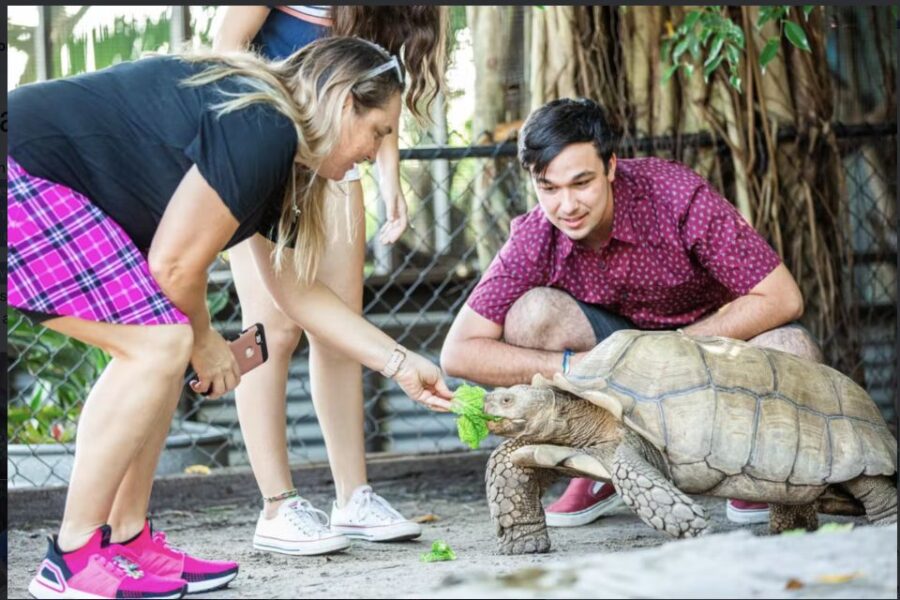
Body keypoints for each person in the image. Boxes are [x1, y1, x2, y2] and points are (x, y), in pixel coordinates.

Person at [10, 37, 452, 600]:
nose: (378, 149)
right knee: (161, 345)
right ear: (345, 104)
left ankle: (125, 541)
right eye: (380, 130)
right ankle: (71, 558)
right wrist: (206, 342)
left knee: (164, 346)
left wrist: (401, 362)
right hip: (20, 175)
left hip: (42, 182)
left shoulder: (275, 144)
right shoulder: (262, 126)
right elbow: (172, 266)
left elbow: (296, 292)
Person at [440, 97, 823, 530]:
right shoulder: (535, 234)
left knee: (792, 344)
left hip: (709, 354)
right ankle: (594, 464)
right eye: (549, 187)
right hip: (609, 372)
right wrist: (574, 365)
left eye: (581, 182)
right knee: (531, 314)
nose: (566, 205)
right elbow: (457, 353)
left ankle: (760, 473)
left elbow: (782, 297)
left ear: (611, 167)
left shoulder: (676, 195)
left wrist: (675, 347)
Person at [213, 5, 446, 554]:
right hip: (266, 154)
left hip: (339, 162)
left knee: (341, 326)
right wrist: (258, 140)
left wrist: (389, 178)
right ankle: (277, 505)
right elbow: (227, 47)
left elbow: (373, 91)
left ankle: (354, 497)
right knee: (271, 330)